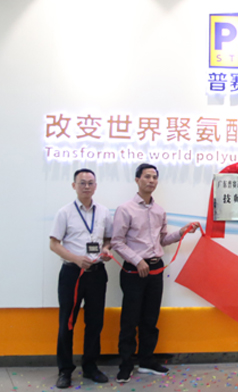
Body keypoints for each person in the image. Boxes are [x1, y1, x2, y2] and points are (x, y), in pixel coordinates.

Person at [111, 163, 199, 383]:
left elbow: (162, 240)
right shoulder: (125, 209)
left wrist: (181, 232)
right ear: (137, 180)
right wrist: (137, 260)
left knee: (150, 318)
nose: (151, 181)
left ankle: (147, 361)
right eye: (147, 177)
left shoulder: (159, 211)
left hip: (155, 268)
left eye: (154, 177)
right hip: (134, 270)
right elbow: (117, 242)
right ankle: (126, 364)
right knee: (130, 319)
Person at [49, 168, 113, 388]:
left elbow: (108, 239)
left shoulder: (103, 212)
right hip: (72, 274)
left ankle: (90, 367)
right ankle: (65, 370)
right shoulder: (64, 212)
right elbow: (54, 244)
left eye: (90, 182)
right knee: (67, 322)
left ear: (96, 186)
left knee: (95, 322)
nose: (86, 186)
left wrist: (106, 250)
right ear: (74, 186)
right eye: (82, 182)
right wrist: (76, 259)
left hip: (97, 274)